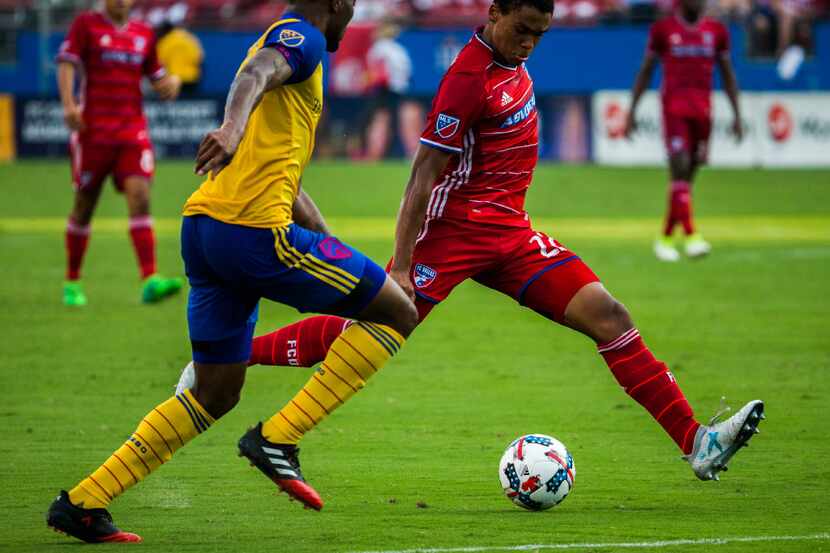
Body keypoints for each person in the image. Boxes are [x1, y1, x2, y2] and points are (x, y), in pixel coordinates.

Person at [178, 0, 764, 506]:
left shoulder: (512, 63)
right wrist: (403, 264)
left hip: (511, 235)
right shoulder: (468, 77)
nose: (530, 43)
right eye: (523, 29)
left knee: (610, 317)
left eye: (540, 33)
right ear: (495, 14)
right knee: (376, 324)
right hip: (454, 234)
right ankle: (233, 359)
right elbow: (423, 172)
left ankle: (697, 443)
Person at [47, 0, 417, 543]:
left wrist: (328, 242)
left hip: (205, 231)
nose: (351, 18)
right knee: (397, 311)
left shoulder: (283, 44)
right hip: (254, 237)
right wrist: (230, 126)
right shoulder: (303, 36)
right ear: (336, 4)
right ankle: (279, 439)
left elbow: (285, 180)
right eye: (351, 7)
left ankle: (83, 502)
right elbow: (257, 71)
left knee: (216, 392)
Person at [56, 0, 184, 306]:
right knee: (84, 205)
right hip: (93, 133)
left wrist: (173, 82)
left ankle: (150, 279)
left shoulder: (144, 33)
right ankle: (72, 281)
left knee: (140, 197)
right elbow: (66, 62)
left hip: (132, 132)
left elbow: (158, 78)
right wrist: (69, 105)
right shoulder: (86, 25)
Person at [625, 0, 743, 262]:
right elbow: (646, 70)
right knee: (680, 166)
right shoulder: (663, 29)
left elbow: (727, 74)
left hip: (703, 112)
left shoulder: (717, 31)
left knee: (686, 180)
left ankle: (665, 238)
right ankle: (692, 236)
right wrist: (631, 111)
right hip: (674, 109)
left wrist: (737, 114)